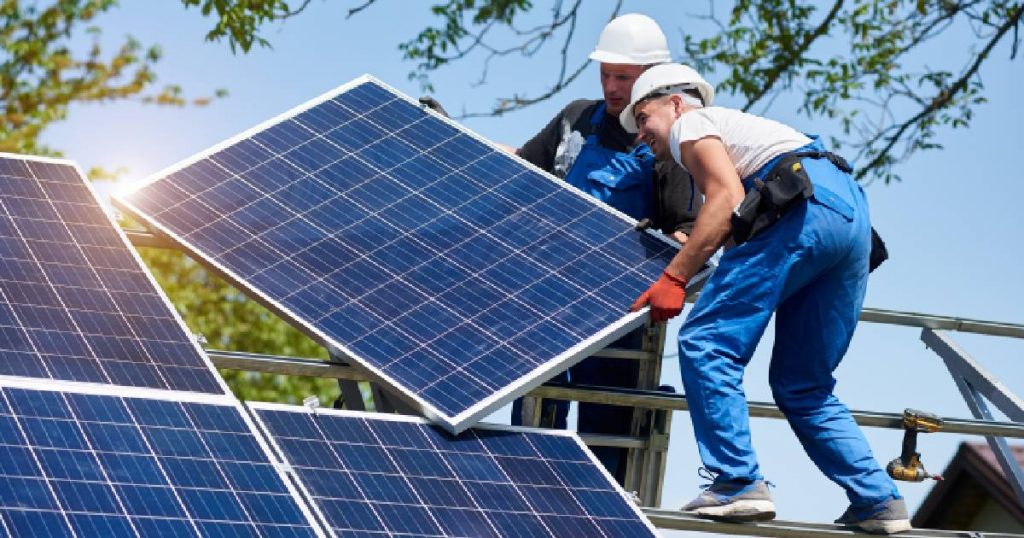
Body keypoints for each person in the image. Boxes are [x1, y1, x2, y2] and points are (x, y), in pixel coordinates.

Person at [622, 63, 910, 534]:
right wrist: (700, 249)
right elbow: (738, 229)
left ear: (675, 102)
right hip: (846, 216)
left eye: (644, 117)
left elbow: (724, 197)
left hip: (802, 209)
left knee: (706, 343)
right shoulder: (747, 137)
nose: (642, 135)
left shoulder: (691, 125)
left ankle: (737, 481)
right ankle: (878, 500)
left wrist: (675, 276)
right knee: (804, 384)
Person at [508, 13, 702, 484]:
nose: (613, 87)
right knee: (533, 427)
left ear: (652, 79)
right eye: (606, 74)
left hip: (617, 320)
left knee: (605, 443)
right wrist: (451, 142)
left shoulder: (667, 141)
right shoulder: (577, 118)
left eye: (625, 77)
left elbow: (686, 231)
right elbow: (517, 169)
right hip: (547, 302)